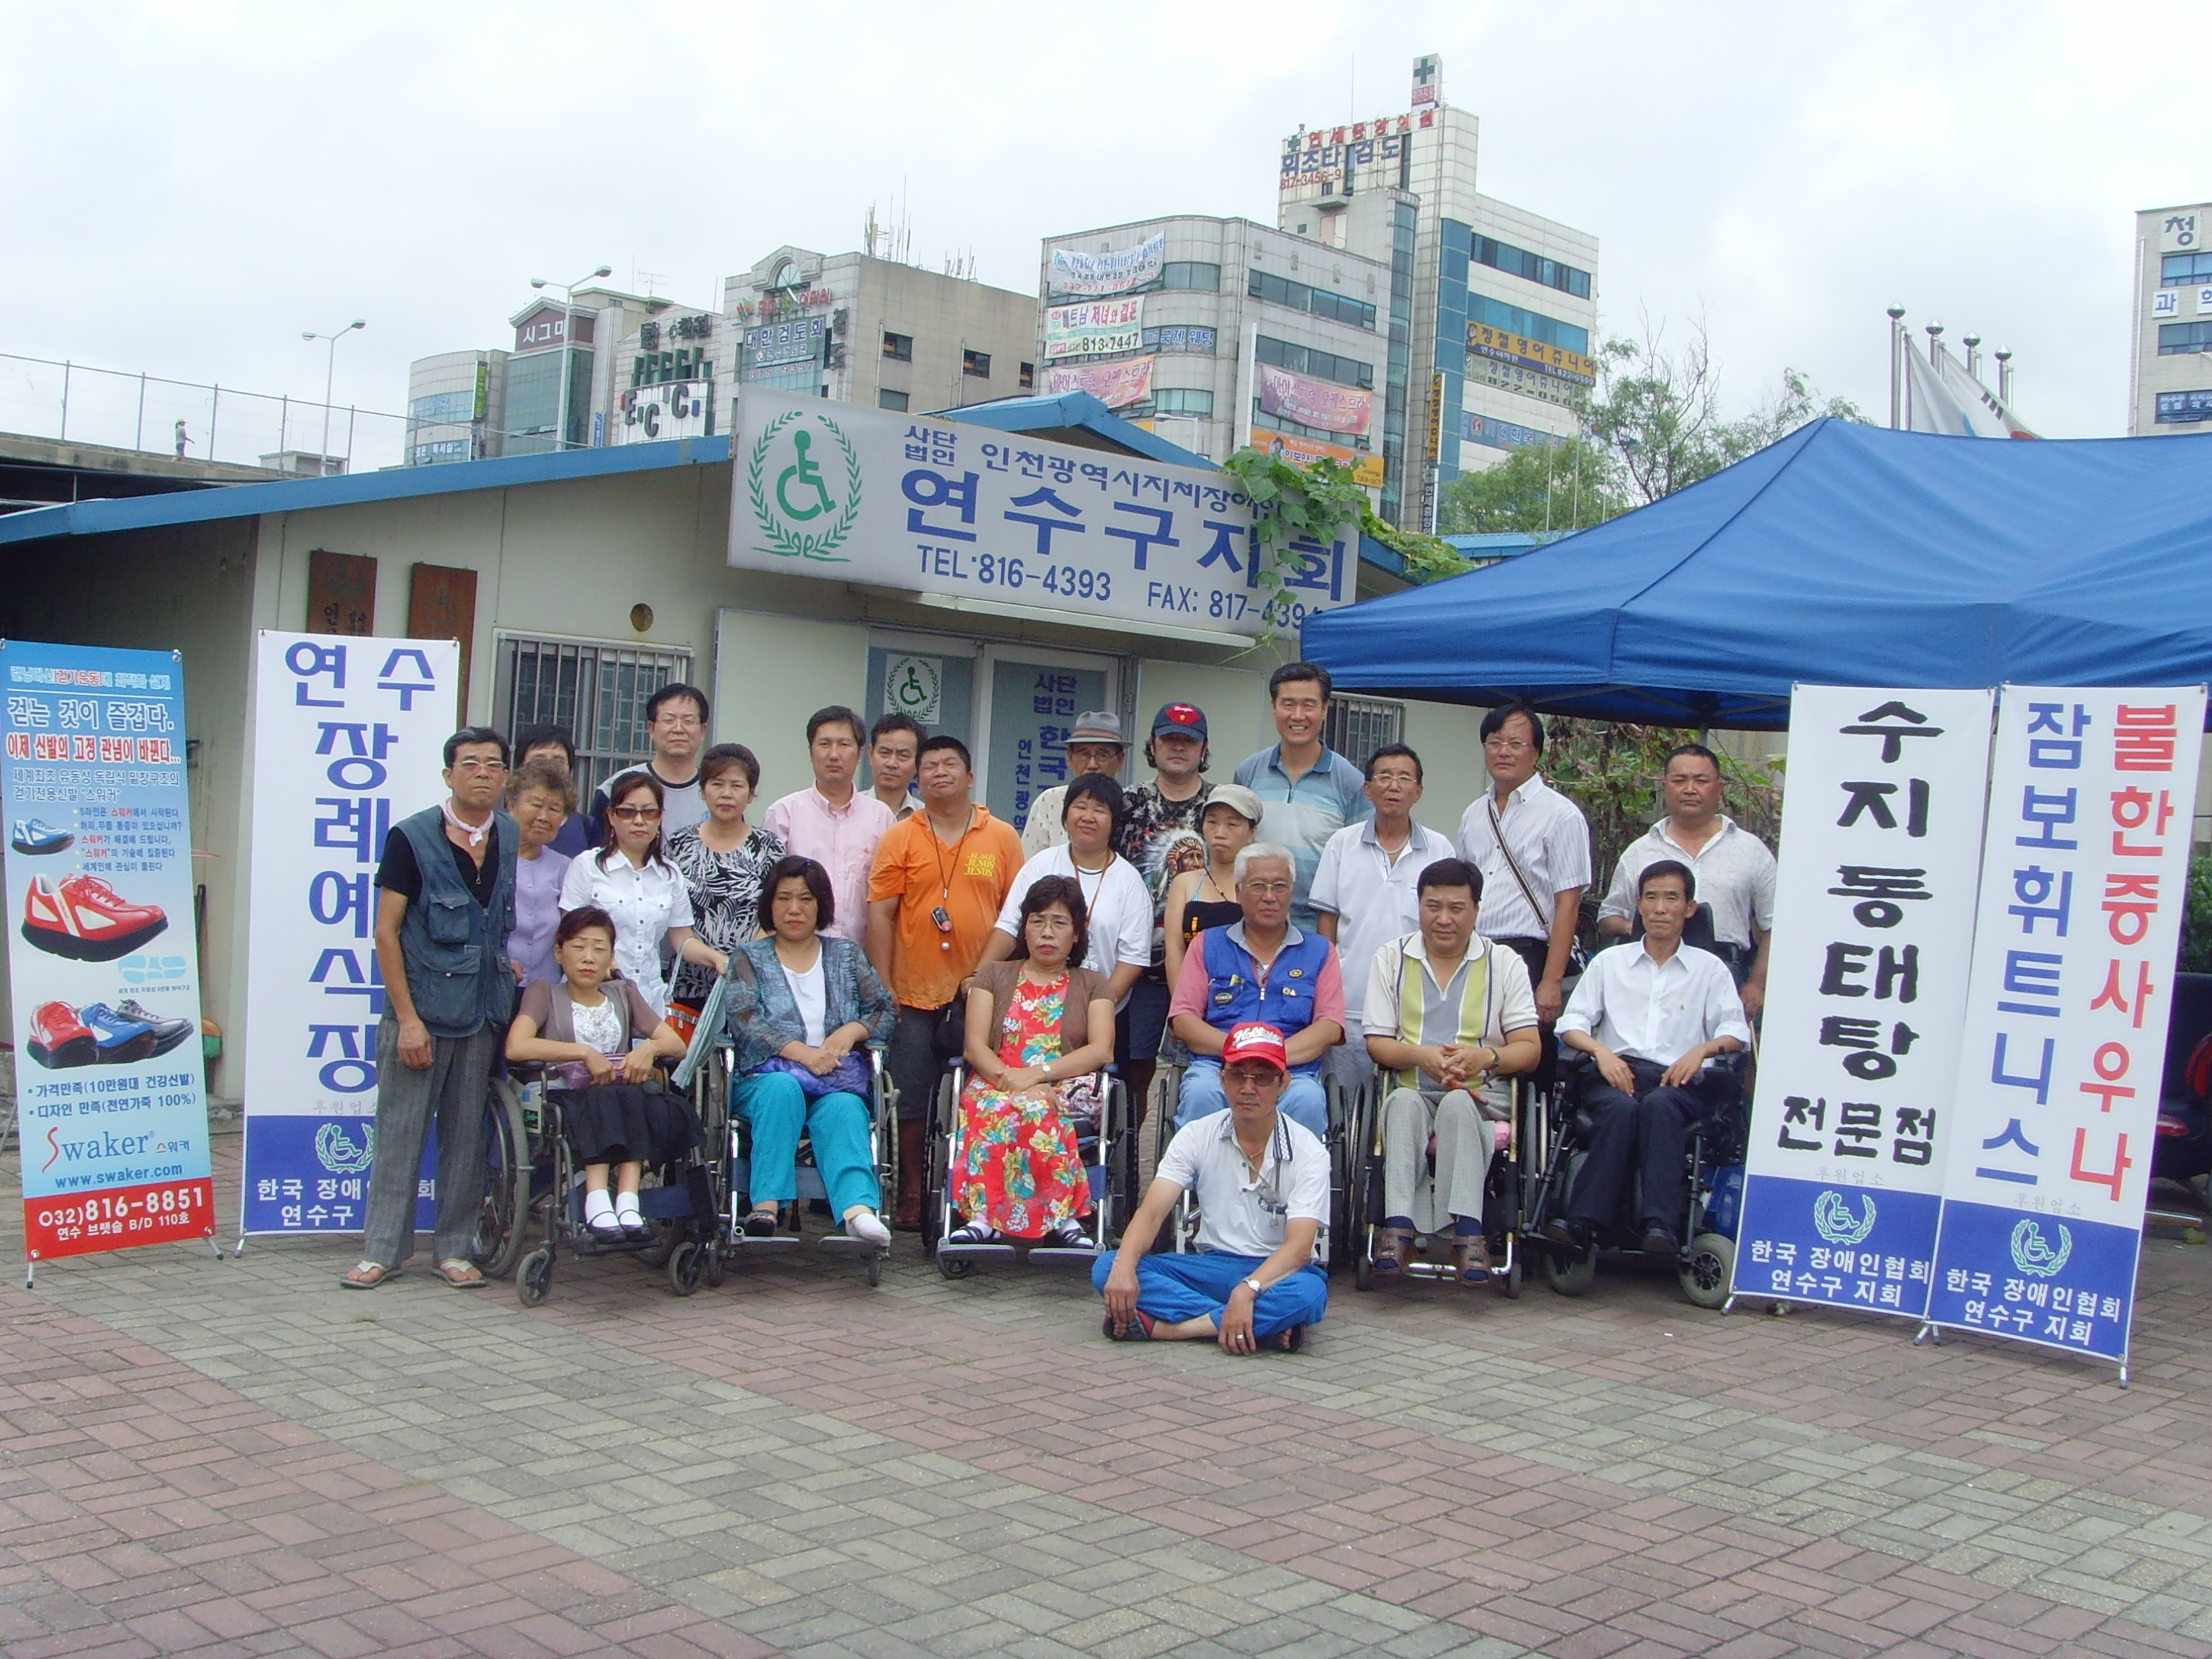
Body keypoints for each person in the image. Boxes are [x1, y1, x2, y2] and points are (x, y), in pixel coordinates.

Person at [345, 727, 518, 1291]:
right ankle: (382, 1251)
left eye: (494, 765)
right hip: (420, 1012)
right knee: (400, 1132)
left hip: (481, 1014)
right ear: (449, 775)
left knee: (468, 1139)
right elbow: (386, 932)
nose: (483, 774)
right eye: (471, 764)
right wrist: (407, 1020)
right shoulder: (411, 838)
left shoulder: (509, 835)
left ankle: (454, 1250)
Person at [1548, 860, 1751, 1258]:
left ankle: (1660, 1226)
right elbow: (1571, 1023)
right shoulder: (1609, 963)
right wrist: (1600, 1052)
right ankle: (1581, 1224)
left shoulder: (1710, 970)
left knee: (1660, 1106)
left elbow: (1737, 1034)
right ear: (1639, 905)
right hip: (1614, 1073)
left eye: (1671, 898)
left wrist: (1702, 1050)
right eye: (1652, 898)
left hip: (1678, 1080)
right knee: (1621, 1110)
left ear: (1689, 909)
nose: (1660, 908)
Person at [866, 733, 1023, 1226]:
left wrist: (987, 978)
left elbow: (1015, 915)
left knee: (978, 1098)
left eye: (949, 764)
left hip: (981, 997)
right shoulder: (900, 836)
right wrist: (884, 985)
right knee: (911, 1099)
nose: (939, 772)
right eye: (929, 765)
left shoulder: (1000, 836)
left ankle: (969, 1194)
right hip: (913, 994)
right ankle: (910, 1192)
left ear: (970, 777)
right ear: (919, 778)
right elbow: (881, 916)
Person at [1095, 1022, 1329, 1351]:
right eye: (1238, 1075)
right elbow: (1151, 1214)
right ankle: (1254, 1326)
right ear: (1222, 1080)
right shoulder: (1195, 1135)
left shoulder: (1309, 1151)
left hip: (1275, 1272)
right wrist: (1123, 1268)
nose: (1249, 1088)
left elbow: (1300, 1249)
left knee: (1309, 1294)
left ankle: (1174, 1329)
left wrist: (1249, 1289)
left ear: (1283, 1083)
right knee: (1108, 1267)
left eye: (1262, 1077)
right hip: (1210, 1265)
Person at [1362, 859, 1541, 1282]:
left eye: (1456, 908)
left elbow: (1529, 1049)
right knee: (1403, 1103)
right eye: (1433, 906)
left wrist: (1487, 1058)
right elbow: (1377, 1044)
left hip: (1480, 1097)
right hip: (1412, 1086)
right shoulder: (1392, 957)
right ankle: (1398, 1227)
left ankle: (1469, 1232)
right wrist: (1420, 1055)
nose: (1443, 919)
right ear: (1419, 906)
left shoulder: (1504, 962)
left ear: (1476, 910)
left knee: (1460, 1105)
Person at [724, 855, 895, 1246]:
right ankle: (765, 1206)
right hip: (765, 1077)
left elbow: (884, 1009)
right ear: (770, 904)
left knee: (845, 1108)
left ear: (821, 905)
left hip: (834, 1077)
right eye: (784, 898)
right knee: (781, 1090)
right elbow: (745, 1020)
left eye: (805, 898)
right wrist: (803, 1054)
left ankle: (858, 1211)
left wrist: (852, 1031)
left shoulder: (846, 956)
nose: (795, 909)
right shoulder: (748, 958)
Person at [949, 876, 1118, 1247]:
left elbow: (1101, 1050)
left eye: (1060, 923)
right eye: (1038, 921)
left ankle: (1064, 1217)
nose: (1047, 932)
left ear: (1076, 934)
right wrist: (1010, 1079)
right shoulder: (993, 975)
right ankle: (983, 1217)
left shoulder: (1093, 983)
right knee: (999, 1107)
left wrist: (1037, 1076)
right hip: (997, 1078)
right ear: (1024, 927)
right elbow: (975, 1046)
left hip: (1065, 1082)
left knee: (1039, 1107)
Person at [505, 907, 693, 1239]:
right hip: (567, 1095)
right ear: (559, 953)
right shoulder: (544, 992)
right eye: (578, 947)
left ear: (611, 956)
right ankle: (596, 1199)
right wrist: (584, 1052)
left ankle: (627, 1199)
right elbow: (517, 1047)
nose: (588, 958)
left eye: (599, 948)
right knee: (608, 1098)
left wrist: (647, 1050)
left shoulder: (625, 992)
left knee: (637, 1098)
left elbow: (675, 1044)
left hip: (622, 1096)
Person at [1454, 702, 1591, 1084]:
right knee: (1473, 1052)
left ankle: (1529, 1143)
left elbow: (1569, 903)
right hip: (1474, 953)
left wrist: (1551, 981)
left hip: (1529, 955)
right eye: (1495, 742)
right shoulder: (1473, 814)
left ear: (1536, 752)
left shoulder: (1561, 815)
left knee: (1527, 1060)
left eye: (1516, 743)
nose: (1503, 751)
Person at [1167, 842, 1342, 1138]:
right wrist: (1239, 1053)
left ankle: (1297, 1185)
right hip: (1218, 1066)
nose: (1270, 897)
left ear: (1292, 892)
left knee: (1307, 1100)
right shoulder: (1207, 944)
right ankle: (1200, 1183)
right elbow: (1183, 1019)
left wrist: (1271, 1056)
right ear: (1238, 892)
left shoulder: (1320, 951)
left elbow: (1329, 1027)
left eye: (1280, 886)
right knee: (1200, 1093)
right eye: (1258, 886)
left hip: (1291, 1070)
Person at [1310, 743, 1455, 1099]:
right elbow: (1327, 921)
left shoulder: (1440, 850)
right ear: (1367, 788)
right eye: (1384, 776)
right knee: (1343, 1105)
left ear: (1418, 792)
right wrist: (1329, 989)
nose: (1394, 786)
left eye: (1405, 778)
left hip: (1415, 1008)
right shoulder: (1341, 844)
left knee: (1403, 1105)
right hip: (1351, 1001)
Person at [1597, 742, 1776, 1019]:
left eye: (1701, 780)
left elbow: (1775, 926)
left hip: (1726, 974)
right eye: (1680, 780)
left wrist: (1757, 984)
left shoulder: (1751, 851)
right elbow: (1609, 918)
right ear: (1665, 786)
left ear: (1719, 787)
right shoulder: (1641, 851)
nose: (1690, 789)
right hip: (1648, 979)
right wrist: (1640, 924)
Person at [1113, 701, 1214, 1119]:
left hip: (1200, 962)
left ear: (1203, 750)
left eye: (1188, 741)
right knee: (1131, 1067)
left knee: (1192, 1067)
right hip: (1135, 960)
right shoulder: (1129, 803)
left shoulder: (1219, 807)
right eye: (1169, 739)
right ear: (1152, 746)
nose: (1178, 748)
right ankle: (1128, 1156)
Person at [558, 771, 727, 1016]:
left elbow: (682, 940)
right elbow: (568, 935)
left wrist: (717, 959)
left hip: (649, 1000)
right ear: (611, 816)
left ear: (660, 818)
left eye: (649, 812)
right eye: (628, 812)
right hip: (593, 994)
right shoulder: (587, 866)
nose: (639, 821)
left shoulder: (670, 874)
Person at [979, 774, 1149, 1010]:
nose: (1088, 817)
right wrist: (978, 978)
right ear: (1065, 814)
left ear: (1114, 821)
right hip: (1032, 1005)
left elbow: (1133, 957)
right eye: (1080, 807)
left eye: (1100, 810)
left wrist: (1098, 1008)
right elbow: (1010, 926)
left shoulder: (1129, 881)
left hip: (1101, 1009)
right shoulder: (1042, 864)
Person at [1231, 662, 1371, 929]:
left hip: (1317, 929)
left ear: (1325, 710)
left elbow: (1359, 865)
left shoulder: (1350, 781)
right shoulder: (1248, 772)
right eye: (1288, 704)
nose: (1298, 716)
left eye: (1308, 705)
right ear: (1273, 707)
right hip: (1253, 925)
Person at [763, 706, 895, 947]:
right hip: (797, 957)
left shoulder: (881, 817)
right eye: (825, 744)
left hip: (861, 959)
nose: (834, 755)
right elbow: (770, 893)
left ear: (860, 753)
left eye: (844, 745)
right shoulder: (783, 813)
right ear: (811, 752)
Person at [665, 743, 785, 1012]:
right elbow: (676, 927)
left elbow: (775, 917)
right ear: (702, 790)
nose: (726, 795)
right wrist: (718, 960)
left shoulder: (769, 847)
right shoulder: (679, 844)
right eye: (717, 784)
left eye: (737, 786)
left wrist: (740, 962)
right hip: (688, 984)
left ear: (752, 794)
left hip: (750, 981)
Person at [1160, 783, 1263, 992]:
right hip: (1192, 997)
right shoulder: (1185, 883)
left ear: (1252, 831)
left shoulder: (1261, 885)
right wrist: (1184, 1009)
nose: (1220, 833)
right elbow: (1175, 950)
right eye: (1212, 822)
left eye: (1232, 824)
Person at [589, 683, 710, 839]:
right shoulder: (616, 787)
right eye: (669, 720)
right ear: (651, 728)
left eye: (688, 721)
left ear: (702, 730)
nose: (678, 729)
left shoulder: (716, 792)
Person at [503, 755, 576, 986]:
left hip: (547, 993)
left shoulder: (566, 867)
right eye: (535, 805)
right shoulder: (487, 859)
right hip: (494, 989)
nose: (544, 817)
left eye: (554, 809)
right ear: (512, 804)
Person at [1020, 711, 1128, 857]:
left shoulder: (1131, 803)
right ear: (1070, 758)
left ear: (1120, 760)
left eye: (1102, 755)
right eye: (1084, 754)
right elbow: (1029, 862)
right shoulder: (1050, 800)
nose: (1092, 765)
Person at [515, 722, 597, 857]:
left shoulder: (588, 828)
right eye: (539, 760)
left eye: (558, 761)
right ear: (521, 765)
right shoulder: (499, 825)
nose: (549, 767)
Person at [867, 713, 924, 821]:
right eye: (885, 753)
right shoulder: (847, 811)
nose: (892, 763)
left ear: (918, 762)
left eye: (903, 755)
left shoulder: (927, 819)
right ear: (870, 754)